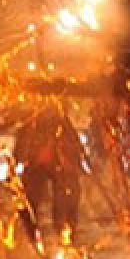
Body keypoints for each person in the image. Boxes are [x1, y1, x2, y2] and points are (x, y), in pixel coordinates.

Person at [17, 99, 84, 241]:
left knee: (64, 199)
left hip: (56, 167)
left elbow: (74, 147)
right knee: (31, 201)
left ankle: (64, 232)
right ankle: (31, 233)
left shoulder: (63, 127)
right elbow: (23, 146)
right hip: (38, 166)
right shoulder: (33, 125)